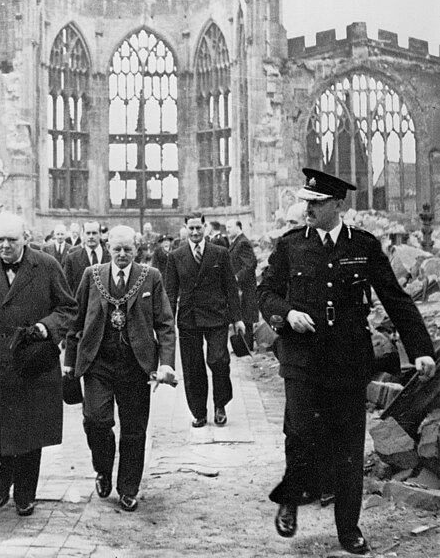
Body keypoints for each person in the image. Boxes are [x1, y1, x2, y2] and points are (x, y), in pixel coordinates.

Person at [257, 168, 436, 555]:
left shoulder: (364, 245)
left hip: (347, 361)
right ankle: (290, 499)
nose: (310, 209)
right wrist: (287, 314)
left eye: (318, 203)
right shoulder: (290, 246)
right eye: (307, 202)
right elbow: (265, 292)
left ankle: (348, 528)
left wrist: (422, 349)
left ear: (338, 204)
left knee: (349, 445)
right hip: (301, 360)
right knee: (301, 433)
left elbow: (396, 299)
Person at [0, 213, 77, 517]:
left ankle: (24, 493)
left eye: (12, 240)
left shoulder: (46, 266)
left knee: (28, 432)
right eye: (0, 240)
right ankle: (1, 473)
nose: (5, 246)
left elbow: (68, 309)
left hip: (29, 363)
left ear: (26, 239)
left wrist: (46, 328)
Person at [64, 225, 176, 512]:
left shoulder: (150, 277)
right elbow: (76, 321)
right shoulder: (92, 276)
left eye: (128, 249)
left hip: (136, 365)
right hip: (97, 361)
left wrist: (166, 364)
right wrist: (69, 362)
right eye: (117, 249)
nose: (122, 254)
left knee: (134, 430)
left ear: (136, 249)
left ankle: (128, 488)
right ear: (108, 248)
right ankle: (103, 468)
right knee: (96, 420)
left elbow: (164, 323)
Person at [164, 211, 245, 428]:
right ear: (185, 229)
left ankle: (221, 404)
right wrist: (167, 321)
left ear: (204, 227)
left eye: (198, 228)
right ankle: (199, 412)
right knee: (192, 367)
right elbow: (170, 292)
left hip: (217, 316)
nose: (195, 232)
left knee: (218, 361)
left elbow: (231, 287)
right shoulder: (176, 256)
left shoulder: (219, 253)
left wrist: (237, 318)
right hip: (189, 318)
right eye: (190, 228)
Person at [225, 219, 259, 350]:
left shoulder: (243, 243)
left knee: (246, 316)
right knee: (241, 314)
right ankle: (241, 346)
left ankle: (246, 347)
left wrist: (236, 278)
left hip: (245, 287)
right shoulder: (236, 242)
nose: (227, 230)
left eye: (230, 227)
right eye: (226, 227)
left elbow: (251, 264)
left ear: (238, 228)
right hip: (239, 287)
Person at [63, 221, 110, 295]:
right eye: (88, 233)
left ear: (100, 234)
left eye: (94, 233)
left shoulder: (110, 256)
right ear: (83, 235)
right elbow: (67, 287)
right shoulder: (72, 258)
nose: (91, 236)